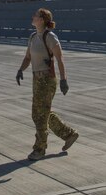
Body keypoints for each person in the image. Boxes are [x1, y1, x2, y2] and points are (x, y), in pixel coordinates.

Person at [16, 8, 79, 160]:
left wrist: (64, 80)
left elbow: (60, 59)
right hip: (36, 79)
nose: (32, 17)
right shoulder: (32, 37)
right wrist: (20, 70)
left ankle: (39, 149)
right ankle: (69, 134)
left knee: (39, 115)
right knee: (42, 112)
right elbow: (27, 58)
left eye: (35, 15)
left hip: (47, 79)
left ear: (42, 19)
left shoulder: (50, 37)